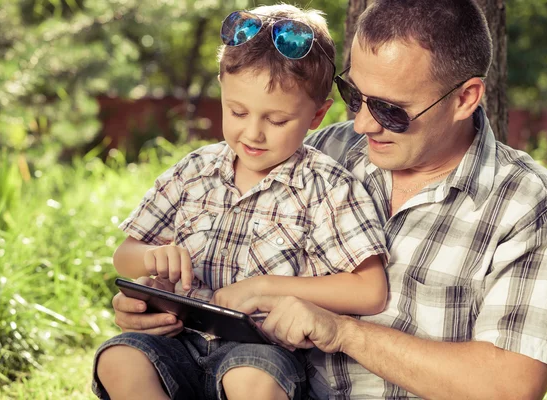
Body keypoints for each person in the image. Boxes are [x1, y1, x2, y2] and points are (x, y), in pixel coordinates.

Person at [106, 0, 547, 399]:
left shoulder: (529, 204)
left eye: (392, 111)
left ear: (465, 98)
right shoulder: (316, 152)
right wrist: (155, 307)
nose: (363, 126)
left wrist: (343, 331)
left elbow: (511, 386)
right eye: (355, 95)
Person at [92, 4, 390, 400]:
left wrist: (267, 288)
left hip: (262, 352)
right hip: (178, 339)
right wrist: (152, 259)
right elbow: (124, 255)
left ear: (317, 115)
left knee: (251, 379)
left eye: (277, 121)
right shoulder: (195, 170)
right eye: (237, 111)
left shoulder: (328, 186)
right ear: (221, 89)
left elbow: (370, 290)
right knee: (119, 358)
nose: (253, 133)